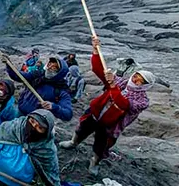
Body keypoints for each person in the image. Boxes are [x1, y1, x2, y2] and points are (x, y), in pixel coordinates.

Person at [59, 37, 155, 176]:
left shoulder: (142, 101)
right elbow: (98, 69)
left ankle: (95, 161)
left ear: (146, 85)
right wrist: (95, 51)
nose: (136, 81)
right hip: (95, 113)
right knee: (82, 128)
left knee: (102, 145)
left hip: (110, 125)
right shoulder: (120, 82)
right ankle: (73, 142)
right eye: (136, 77)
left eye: (140, 81)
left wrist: (112, 86)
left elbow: (124, 104)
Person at [0, 109, 60, 186]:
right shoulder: (11, 129)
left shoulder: (47, 150)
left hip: (17, 184)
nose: (33, 127)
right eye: (32, 121)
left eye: (40, 128)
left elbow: (51, 175)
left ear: (46, 133)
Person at [5, 56, 72, 121]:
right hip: (20, 111)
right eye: (50, 64)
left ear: (60, 73)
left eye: (54, 68)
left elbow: (68, 114)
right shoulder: (37, 75)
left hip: (35, 121)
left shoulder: (61, 90)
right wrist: (9, 65)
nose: (49, 68)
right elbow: (18, 76)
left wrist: (54, 107)